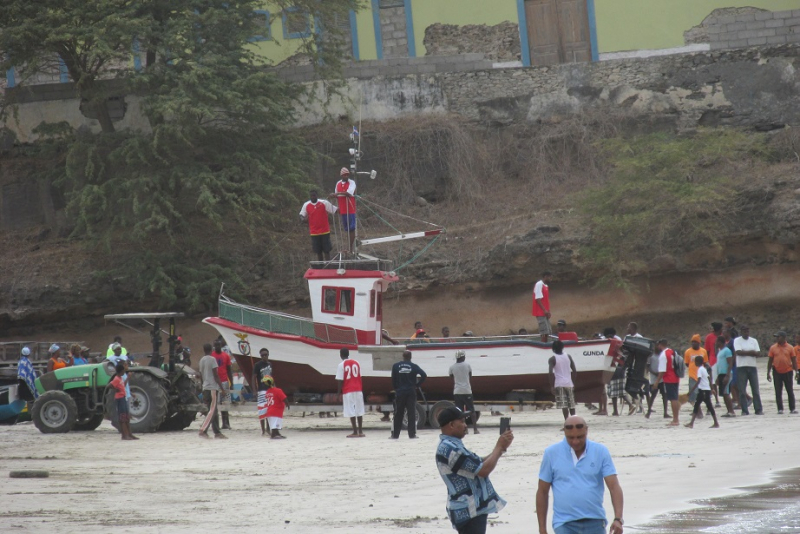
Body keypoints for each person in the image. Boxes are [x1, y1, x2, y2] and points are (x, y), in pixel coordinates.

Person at [537, 416, 624, 534]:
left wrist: (618, 519)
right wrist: (542, 529)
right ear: (564, 432)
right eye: (570, 438)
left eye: (580, 437)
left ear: (586, 430)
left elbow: (614, 487)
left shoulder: (600, 451)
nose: (575, 441)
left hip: (595, 520)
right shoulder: (551, 453)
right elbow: (542, 491)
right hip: (564, 523)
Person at [435, 406, 513, 534]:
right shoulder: (450, 449)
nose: (466, 425)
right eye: (462, 421)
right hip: (468, 511)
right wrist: (499, 448)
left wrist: (501, 448)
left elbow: (478, 462)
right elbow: (483, 471)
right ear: (451, 425)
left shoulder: (452, 445)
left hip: (470, 509)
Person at [390, 350, 427, 439]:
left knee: (398, 413)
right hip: (411, 392)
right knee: (411, 413)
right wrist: (417, 385)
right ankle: (412, 434)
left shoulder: (395, 366)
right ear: (410, 357)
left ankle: (395, 435)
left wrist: (396, 388)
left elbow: (393, 379)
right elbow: (424, 375)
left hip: (400, 392)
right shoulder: (414, 366)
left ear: (403, 356)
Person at [198, 343, 227, 439]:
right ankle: (203, 430)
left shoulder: (201, 360)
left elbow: (201, 375)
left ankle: (217, 432)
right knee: (212, 410)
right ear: (211, 350)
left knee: (213, 410)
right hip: (212, 388)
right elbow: (216, 375)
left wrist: (202, 387)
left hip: (205, 387)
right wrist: (222, 388)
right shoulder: (212, 359)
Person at [299, 189, 337, 262]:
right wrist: (303, 219)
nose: (313, 197)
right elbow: (301, 214)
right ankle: (320, 267)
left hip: (325, 231)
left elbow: (334, 210)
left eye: (314, 195)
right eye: (311, 196)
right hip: (314, 232)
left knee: (326, 250)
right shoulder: (306, 205)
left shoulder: (324, 203)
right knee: (318, 251)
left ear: (317, 196)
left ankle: (328, 266)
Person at [733, 325, 763, 416]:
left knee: (755, 389)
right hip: (741, 367)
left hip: (752, 366)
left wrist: (746, 352)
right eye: (744, 331)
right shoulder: (737, 340)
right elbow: (738, 352)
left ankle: (758, 409)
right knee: (742, 390)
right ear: (741, 332)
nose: (746, 333)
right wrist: (751, 352)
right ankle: (744, 410)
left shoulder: (753, 341)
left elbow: (758, 353)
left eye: (747, 331)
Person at [650, 338, 681, 426]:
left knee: (673, 399)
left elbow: (662, 371)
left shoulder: (663, 355)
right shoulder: (672, 352)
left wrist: (656, 382)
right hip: (676, 377)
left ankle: (675, 420)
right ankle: (676, 419)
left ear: (660, 345)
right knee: (674, 398)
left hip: (669, 378)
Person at [336, 348, 365, 437]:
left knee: (350, 410)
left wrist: (338, 394)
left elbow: (340, 380)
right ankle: (360, 431)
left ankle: (355, 431)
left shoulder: (341, 365)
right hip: (358, 388)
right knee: (359, 410)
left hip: (348, 389)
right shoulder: (357, 362)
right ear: (348, 354)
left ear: (341, 355)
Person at [685, 356, 719, 428]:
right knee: (704, 406)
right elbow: (709, 378)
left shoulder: (700, 369)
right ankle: (692, 423)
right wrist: (712, 389)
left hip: (702, 391)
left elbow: (698, 381)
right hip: (706, 390)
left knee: (699, 406)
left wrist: (691, 391)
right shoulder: (704, 369)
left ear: (697, 362)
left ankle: (691, 423)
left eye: (695, 362)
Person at [767, 331, 797, 415]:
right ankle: (780, 409)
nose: (777, 338)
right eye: (776, 337)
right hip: (777, 371)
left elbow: (794, 360)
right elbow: (770, 361)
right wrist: (768, 372)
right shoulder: (773, 348)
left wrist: (797, 371)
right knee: (778, 391)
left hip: (788, 371)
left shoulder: (790, 347)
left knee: (790, 390)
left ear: (784, 338)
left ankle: (792, 408)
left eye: (778, 337)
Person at [449, 350, 478, 434]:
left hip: (457, 391)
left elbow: (451, 377)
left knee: (460, 412)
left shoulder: (452, 367)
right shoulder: (467, 365)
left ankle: (464, 430)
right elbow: (470, 375)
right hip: (467, 390)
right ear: (462, 357)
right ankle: (475, 429)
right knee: (471, 410)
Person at [548, 340, 577, 420]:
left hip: (559, 384)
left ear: (553, 349)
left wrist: (551, 386)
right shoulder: (568, 356)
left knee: (564, 405)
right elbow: (574, 371)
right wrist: (573, 383)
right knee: (571, 404)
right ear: (563, 347)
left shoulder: (552, 359)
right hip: (569, 383)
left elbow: (550, 373)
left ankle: (567, 422)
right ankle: (574, 421)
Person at [330, 167, 356, 254]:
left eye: (347, 175)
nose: (346, 176)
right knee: (346, 229)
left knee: (352, 228)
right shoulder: (338, 184)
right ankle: (347, 248)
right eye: (344, 175)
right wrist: (333, 195)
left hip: (350, 209)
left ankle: (351, 249)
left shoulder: (352, 182)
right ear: (341, 175)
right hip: (343, 209)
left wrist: (337, 194)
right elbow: (336, 194)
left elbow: (349, 193)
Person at [110, 362, 138, 440]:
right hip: (120, 398)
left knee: (126, 417)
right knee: (122, 417)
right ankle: (124, 435)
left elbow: (123, 386)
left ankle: (129, 434)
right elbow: (109, 385)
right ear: (121, 371)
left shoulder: (120, 378)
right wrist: (116, 389)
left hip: (123, 397)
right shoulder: (116, 378)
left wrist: (130, 393)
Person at [684, 334, 709, 416]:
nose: (693, 344)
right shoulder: (688, 351)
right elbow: (687, 364)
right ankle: (698, 411)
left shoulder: (703, 351)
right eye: (692, 342)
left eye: (695, 342)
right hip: (692, 375)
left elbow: (705, 362)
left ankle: (704, 409)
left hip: (701, 376)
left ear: (699, 343)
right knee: (693, 394)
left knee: (702, 393)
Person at [212, 339, 233, 430]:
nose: (217, 347)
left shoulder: (226, 356)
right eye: (215, 345)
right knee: (216, 404)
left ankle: (226, 423)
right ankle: (217, 423)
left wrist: (231, 383)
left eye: (218, 345)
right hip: (215, 382)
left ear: (221, 346)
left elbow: (229, 370)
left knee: (225, 403)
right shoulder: (212, 356)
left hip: (224, 382)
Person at [714, 334, 736, 417]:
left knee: (726, 393)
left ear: (720, 342)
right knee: (723, 393)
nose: (715, 343)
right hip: (721, 374)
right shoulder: (720, 351)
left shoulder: (727, 351)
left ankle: (731, 411)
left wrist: (727, 375)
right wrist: (717, 377)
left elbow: (730, 363)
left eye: (716, 342)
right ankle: (728, 411)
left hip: (726, 374)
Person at [253, 348, 273, 436]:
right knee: (262, 410)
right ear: (260, 356)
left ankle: (268, 429)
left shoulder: (270, 364)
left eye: (266, 355)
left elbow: (271, 377)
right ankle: (263, 430)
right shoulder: (257, 365)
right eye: (263, 355)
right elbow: (253, 378)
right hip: (261, 390)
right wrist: (254, 390)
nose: (264, 356)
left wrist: (274, 388)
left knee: (269, 410)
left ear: (268, 355)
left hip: (269, 389)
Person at [532, 271, 553, 341]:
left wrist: (548, 311)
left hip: (545, 312)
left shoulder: (546, 286)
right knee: (544, 331)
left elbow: (546, 300)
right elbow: (538, 299)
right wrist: (544, 310)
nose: (551, 279)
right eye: (550, 277)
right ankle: (543, 345)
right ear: (545, 277)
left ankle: (546, 344)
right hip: (540, 312)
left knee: (548, 331)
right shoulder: (539, 284)